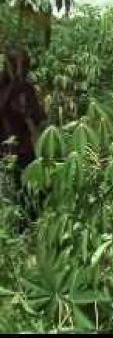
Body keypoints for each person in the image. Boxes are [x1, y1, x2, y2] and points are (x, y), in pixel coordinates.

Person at [0, 46, 46, 219]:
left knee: (29, 193)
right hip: (10, 151)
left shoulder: (25, 88)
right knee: (13, 196)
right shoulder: (12, 87)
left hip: (23, 150)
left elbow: (38, 116)